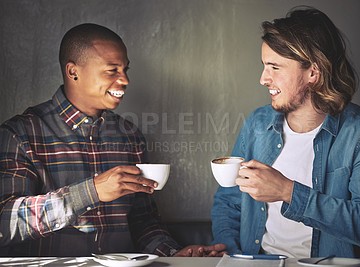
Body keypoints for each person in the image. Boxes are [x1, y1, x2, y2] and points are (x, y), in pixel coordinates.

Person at [0, 23, 226, 257]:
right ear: (73, 71)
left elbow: (143, 221)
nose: (125, 80)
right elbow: (4, 222)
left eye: (125, 69)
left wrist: (172, 253)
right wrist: (91, 192)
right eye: (112, 70)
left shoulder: (129, 136)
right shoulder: (20, 134)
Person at [211, 6, 360, 258]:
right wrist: (232, 255)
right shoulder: (257, 124)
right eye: (264, 66)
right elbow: (228, 202)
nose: (264, 79)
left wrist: (287, 191)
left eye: (275, 67)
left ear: (313, 72)